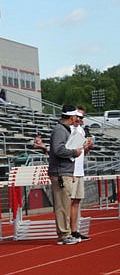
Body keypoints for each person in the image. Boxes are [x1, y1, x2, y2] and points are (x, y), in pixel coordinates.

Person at [48, 105, 84, 245]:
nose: (78, 119)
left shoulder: (63, 129)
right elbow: (58, 150)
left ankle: (66, 233)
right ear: (72, 116)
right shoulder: (60, 130)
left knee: (65, 203)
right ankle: (64, 234)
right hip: (60, 172)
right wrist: (74, 152)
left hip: (64, 171)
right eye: (77, 116)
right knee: (62, 205)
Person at [69, 106, 94, 242]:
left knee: (77, 201)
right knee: (70, 201)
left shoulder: (82, 130)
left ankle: (74, 231)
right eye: (77, 116)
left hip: (79, 169)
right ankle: (68, 231)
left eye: (81, 117)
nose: (79, 119)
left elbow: (83, 152)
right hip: (70, 170)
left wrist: (88, 146)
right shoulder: (69, 129)